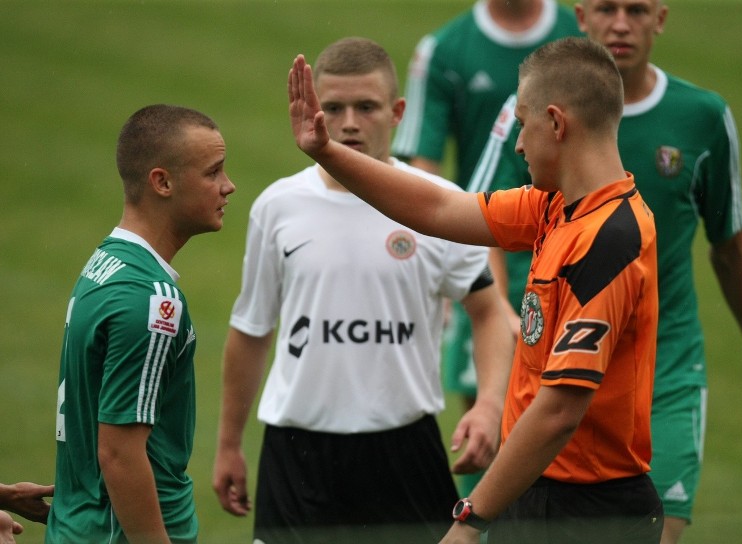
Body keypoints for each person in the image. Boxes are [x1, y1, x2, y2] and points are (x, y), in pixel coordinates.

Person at [290, 36, 663, 544]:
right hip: (534, 490)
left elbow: (558, 411)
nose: (517, 145)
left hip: (590, 513)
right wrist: (327, 153)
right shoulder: (554, 207)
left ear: (556, 123)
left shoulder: (610, 241)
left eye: (523, 124)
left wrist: (469, 522)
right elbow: (438, 210)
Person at [471, 2, 742, 542]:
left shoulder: (703, 117)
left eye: (636, 9)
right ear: (580, 17)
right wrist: (499, 314)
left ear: (660, 18)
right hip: (554, 350)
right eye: (606, 8)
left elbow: (729, 244)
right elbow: (474, 215)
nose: (621, 23)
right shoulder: (531, 111)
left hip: (665, 370)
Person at [213, 37, 513, 544]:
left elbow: (489, 311)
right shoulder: (277, 206)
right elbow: (251, 329)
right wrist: (228, 444)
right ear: (311, 109)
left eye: (366, 107)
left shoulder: (440, 204)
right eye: (333, 107)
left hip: (404, 450)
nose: (348, 122)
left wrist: (488, 404)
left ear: (396, 112)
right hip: (297, 451)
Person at [391, 0, 583, 496]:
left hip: (573, 264)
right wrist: (459, 281)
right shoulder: (445, 50)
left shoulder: (580, 32)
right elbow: (423, 174)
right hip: (485, 262)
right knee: (486, 433)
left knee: (572, 435)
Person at [46, 104, 236, 543]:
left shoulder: (104, 263)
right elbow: (119, 454)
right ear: (162, 182)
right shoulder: (152, 301)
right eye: (213, 173)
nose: (228, 186)